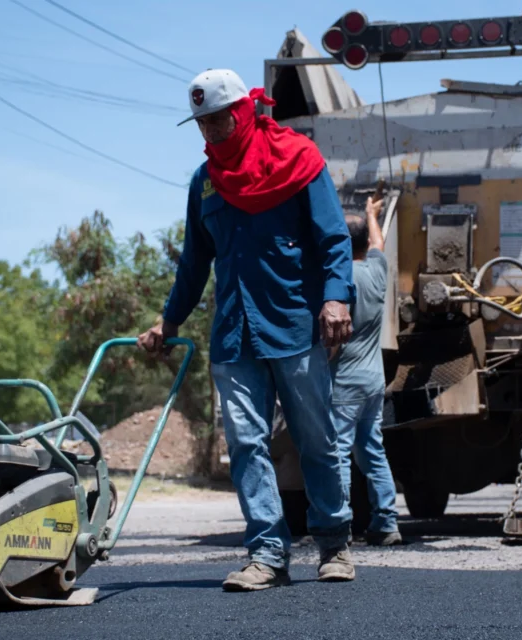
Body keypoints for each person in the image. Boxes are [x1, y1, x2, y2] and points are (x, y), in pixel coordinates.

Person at [137, 69, 357, 592]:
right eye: (202, 122)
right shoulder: (205, 182)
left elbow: (333, 240)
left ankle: (334, 544)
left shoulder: (298, 160)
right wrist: (167, 321)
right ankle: (267, 554)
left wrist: (333, 298)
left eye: (218, 118)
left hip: (295, 325)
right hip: (235, 335)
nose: (210, 129)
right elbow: (194, 262)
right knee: (245, 443)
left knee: (317, 440)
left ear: (243, 111)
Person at [331, 195, 402, 546]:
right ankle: (386, 522)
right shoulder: (377, 269)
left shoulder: (338, 280)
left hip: (344, 381)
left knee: (339, 452)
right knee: (373, 450)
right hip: (375, 379)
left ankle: (340, 526)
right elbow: (379, 243)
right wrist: (373, 214)